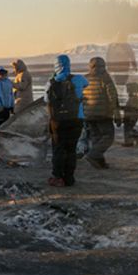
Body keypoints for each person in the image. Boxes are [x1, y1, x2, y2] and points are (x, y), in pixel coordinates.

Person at [46, 55, 87, 187]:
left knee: (58, 149)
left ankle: (57, 177)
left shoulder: (51, 82)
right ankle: (69, 178)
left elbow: (46, 100)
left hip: (58, 121)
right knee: (71, 150)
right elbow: (87, 84)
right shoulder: (78, 79)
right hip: (76, 119)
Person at [82, 57, 120, 169]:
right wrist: (116, 113)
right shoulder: (105, 78)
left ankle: (99, 162)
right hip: (103, 114)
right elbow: (112, 97)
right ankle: (93, 155)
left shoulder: (85, 78)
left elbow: (81, 97)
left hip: (88, 115)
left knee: (96, 137)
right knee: (108, 136)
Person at [121, 81, 138, 147]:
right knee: (128, 129)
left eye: (128, 89)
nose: (127, 90)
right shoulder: (132, 97)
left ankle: (133, 140)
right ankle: (130, 141)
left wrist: (131, 117)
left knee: (128, 129)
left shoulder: (133, 98)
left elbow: (132, 108)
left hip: (130, 116)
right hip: (129, 116)